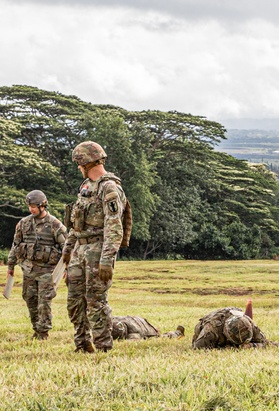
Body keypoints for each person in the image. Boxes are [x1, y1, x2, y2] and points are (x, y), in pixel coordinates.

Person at [62, 141, 128, 353]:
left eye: (78, 163)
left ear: (85, 162)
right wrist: (67, 250)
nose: (78, 168)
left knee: (95, 301)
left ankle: (103, 347)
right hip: (79, 251)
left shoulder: (109, 187)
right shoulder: (85, 187)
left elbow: (114, 225)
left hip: (98, 251)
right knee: (75, 300)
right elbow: (75, 223)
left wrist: (107, 259)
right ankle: (82, 345)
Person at [6, 190, 67, 339]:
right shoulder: (24, 223)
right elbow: (16, 245)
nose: (31, 209)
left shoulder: (55, 225)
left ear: (43, 205)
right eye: (30, 206)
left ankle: (43, 332)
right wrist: (10, 266)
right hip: (29, 269)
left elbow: (67, 247)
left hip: (48, 271)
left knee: (44, 301)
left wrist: (67, 268)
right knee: (30, 299)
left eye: (34, 206)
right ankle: (36, 328)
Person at [191, 304, 272, 349]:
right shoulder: (212, 329)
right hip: (208, 323)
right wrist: (224, 349)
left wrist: (251, 345)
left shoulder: (249, 323)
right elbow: (197, 348)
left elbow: (267, 343)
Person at [110, 315, 184, 340]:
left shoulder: (133, 333)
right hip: (138, 320)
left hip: (148, 329)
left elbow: (135, 340)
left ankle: (177, 333)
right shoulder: (113, 321)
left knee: (161, 337)